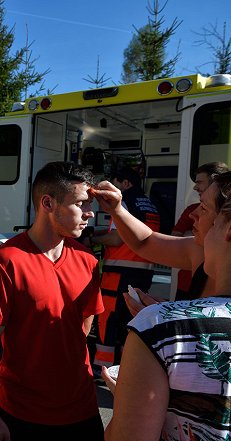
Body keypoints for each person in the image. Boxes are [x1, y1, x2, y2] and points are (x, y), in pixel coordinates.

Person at [0, 162, 105, 441]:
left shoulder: (89, 262)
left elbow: (82, 328)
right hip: (22, 413)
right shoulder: (6, 262)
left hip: (81, 410)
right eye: (81, 204)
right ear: (48, 203)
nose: (90, 214)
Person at [101, 183, 231, 441]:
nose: (192, 213)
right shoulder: (164, 321)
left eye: (203, 208)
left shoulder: (156, 325)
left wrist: (131, 396)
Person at [94, 171, 231, 318]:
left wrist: (167, 321)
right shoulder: (198, 249)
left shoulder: (199, 250)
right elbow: (145, 242)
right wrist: (117, 210)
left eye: (203, 207)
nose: (193, 214)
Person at [87, 166, 160, 368]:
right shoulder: (149, 205)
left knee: (108, 318)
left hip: (119, 272)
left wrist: (91, 238)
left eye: (116, 184)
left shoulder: (125, 201)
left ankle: (102, 367)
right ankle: (125, 367)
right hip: (144, 272)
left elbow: (117, 239)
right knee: (130, 320)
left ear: (125, 183)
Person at [170, 162, 228, 297]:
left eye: (204, 209)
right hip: (187, 284)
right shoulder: (191, 209)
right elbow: (174, 237)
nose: (195, 187)